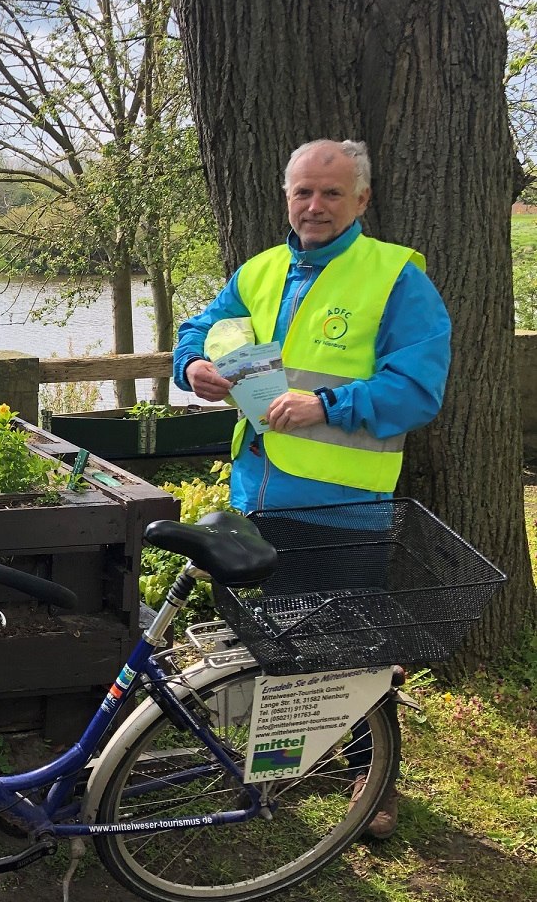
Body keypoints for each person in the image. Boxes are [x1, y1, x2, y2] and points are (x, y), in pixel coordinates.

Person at [173, 138, 452, 840]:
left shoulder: (395, 279)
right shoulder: (261, 270)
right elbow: (199, 330)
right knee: (263, 636)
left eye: (331, 193)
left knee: (349, 648)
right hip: (255, 496)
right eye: (303, 191)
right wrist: (194, 366)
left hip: (341, 507)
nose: (314, 205)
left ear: (361, 200)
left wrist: (328, 407)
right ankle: (285, 757)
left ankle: (373, 776)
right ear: (286, 196)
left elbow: (417, 388)